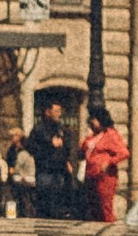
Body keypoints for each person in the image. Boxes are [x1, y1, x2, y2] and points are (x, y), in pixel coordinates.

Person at [26, 94, 79, 222]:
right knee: (45, 201)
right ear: (47, 112)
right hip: (45, 170)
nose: (58, 114)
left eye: (60, 111)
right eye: (56, 111)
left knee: (58, 201)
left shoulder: (60, 128)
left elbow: (66, 146)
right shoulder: (39, 129)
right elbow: (31, 146)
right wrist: (49, 143)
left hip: (59, 171)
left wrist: (67, 162)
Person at [78, 100, 127, 224]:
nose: (92, 123)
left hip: (105, 176)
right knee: (94, 208)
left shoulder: (111, 135)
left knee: (105, 206)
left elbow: (124, 152)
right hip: (91, 175)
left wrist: (110, 162)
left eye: (94, 120)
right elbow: (84, 151)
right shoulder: (92, 136)